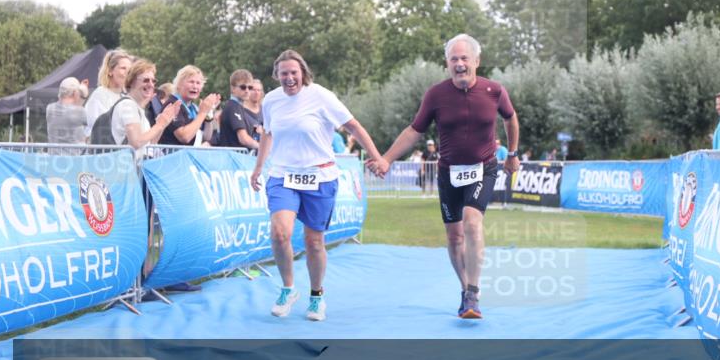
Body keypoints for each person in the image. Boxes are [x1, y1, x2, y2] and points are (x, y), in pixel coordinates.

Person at [371, 33, 520, 320]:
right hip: (448, 172)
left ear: (477, 61)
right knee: (454, 236)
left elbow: (510, 118)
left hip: (483, 168)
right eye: (454, 59)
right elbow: (415, 131)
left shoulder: (494, 91)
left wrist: (512, 154)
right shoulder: (436, 95)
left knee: (473, 223)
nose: (460, 64)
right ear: (447, 63)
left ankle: (474, 292)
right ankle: (465, 292)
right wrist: (387, 158)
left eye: (465, 58)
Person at [249, 49, 386, 321]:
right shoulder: (271, 101)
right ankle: (288, 288)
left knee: (314, 241)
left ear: (303, 74)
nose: (289, 78)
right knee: (280, 233)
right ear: (277, 75)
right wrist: (258, 167)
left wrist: (377, 156)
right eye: (284, 73)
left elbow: (354, 127)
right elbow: (267, 133)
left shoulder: (321, 96)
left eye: (294, 73)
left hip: (319, 176)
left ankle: (316, 295)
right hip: (283, 175)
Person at [110, 59, 182, 155]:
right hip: (125, 166)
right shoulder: (128, 105)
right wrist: (160, 124)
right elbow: (136, 142)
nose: (151, 84)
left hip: (135, 165)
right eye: (146, 80)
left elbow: (150, 143)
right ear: (131, 82)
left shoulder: (137, 108)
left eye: (153, 81)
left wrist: (164, 122)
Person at [159, 65, 221, 146]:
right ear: (180, 84)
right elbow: (185, 137)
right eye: (191, 82)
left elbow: (206, 137)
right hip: (172, 156)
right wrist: (202, 113)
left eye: (198, 83)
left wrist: (208, 114)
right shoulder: (173, 104)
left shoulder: (193, 107)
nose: (195, 86)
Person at [84, 49, 133, 139]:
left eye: (130, 70)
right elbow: (96, 124)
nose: (127, 73)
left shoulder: (125, 97)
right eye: (123, 68)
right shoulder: (100, 94)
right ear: (110, 71)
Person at [218, 69, 260, 150]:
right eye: (243, 87)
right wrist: (263, 148)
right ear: (233, 88)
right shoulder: (233, 107)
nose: (247, 91)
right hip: (232, 158)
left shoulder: (238, 107)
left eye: (250, 87)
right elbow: (243, 139)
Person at [47, 77, 89, 149]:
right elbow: (94, 122)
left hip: (54, 158)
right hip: (74, 158)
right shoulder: (79, 112)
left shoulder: (49, 108)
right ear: (75, 93)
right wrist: (84, 93)